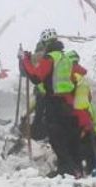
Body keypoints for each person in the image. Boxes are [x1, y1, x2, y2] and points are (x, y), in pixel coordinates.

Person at [20, 30, 81, 176]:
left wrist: (26, 60)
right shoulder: (64, 57)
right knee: (66, 136)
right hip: (67, 102)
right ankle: (72, 168)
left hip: (54, 102)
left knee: (56, 137)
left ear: (46, 43)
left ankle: (67, 169)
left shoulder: (50, 57)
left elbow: (36, 77)